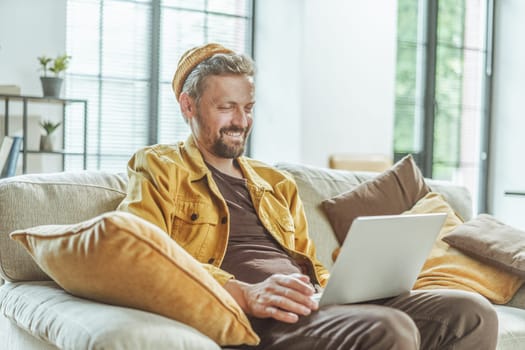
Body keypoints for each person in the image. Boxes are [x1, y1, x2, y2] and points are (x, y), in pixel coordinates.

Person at [118, 43, 498, 349]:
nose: (241, 121)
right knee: (391, 329)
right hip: (256, 318)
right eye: (226, 107)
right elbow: (141, 253)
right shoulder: (160, 167)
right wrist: (245, 293)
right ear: (188, 105)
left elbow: (308, 262)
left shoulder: (275, 182)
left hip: (312, 304)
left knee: (471, 312)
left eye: (248, 107)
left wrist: (342, 289)